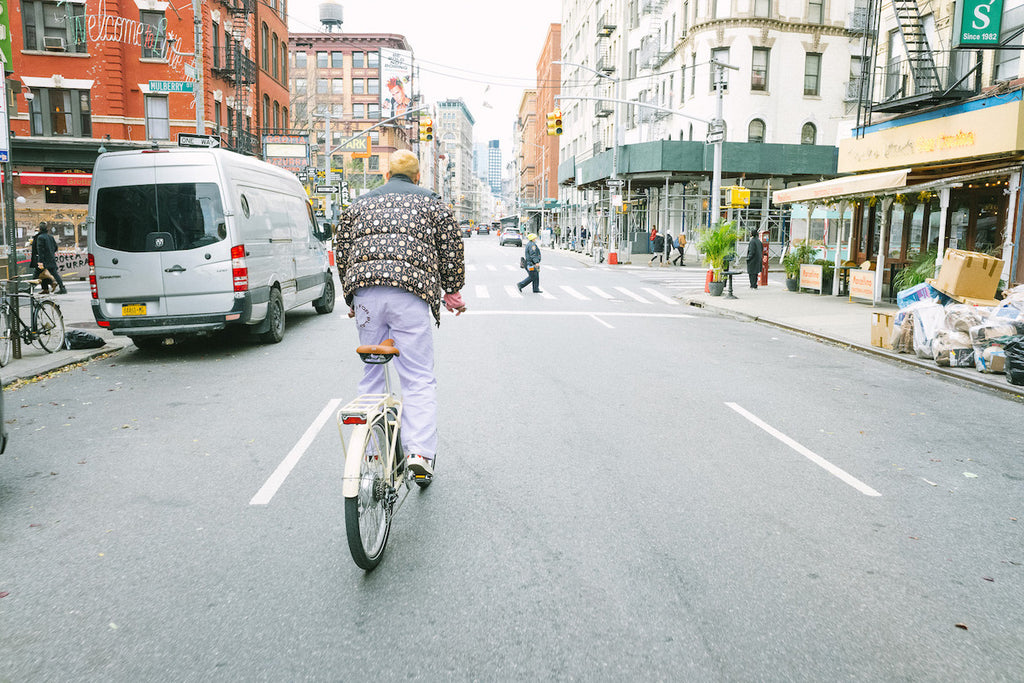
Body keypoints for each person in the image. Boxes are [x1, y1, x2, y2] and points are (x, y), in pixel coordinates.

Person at [334, 150, 466, 480]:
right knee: (418, 377)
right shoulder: (434, 204)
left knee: (371, 373)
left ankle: (373, 452)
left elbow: (342, 249)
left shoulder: (359, 205)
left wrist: (352, 295)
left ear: (386, 175)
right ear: (418, 176)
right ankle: (419, 451)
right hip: (411, 293)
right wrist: (452, 291)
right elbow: (450, 249)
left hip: (366, 295)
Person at [30, 223, 66, 294]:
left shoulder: (40, 237)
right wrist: (50, 252)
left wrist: (40, 262)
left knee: (36, 274)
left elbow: (40, 251)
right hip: (51, 258)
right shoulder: (50, 237)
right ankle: (61, 288)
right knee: (54, 274)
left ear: (40, 229)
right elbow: (55, 248)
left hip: (43, 260)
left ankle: (31, 289)